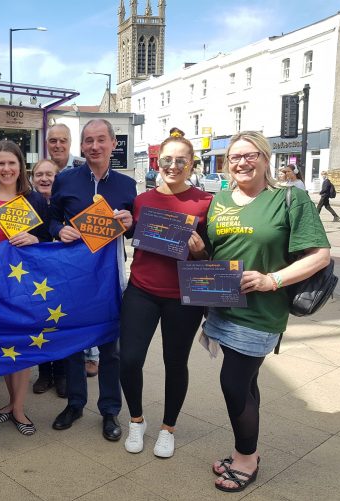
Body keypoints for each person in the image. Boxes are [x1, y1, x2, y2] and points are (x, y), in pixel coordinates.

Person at [205, 131, 330, 492]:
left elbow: (319, 255)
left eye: (250, 155)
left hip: (261, 312)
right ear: (227, 163)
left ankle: (246, 459)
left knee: (232, 384)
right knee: (246, 382)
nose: (242, 163)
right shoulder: (220, 200)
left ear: (265, 158)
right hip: (222, 307)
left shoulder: (289, 198)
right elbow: (216, 251)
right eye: (235, 157)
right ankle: (247, 451)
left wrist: (271, 280)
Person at [120, 134, 213, 458]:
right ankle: (136, 421)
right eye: (167, 160)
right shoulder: (143, 199)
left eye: (181, 160)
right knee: (129, 359)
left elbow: (213, 257)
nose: (173, 166)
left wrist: (201, 253)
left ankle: (168, 428)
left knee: (175, 363)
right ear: (158, 162)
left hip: (183, 297)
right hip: (142, 290)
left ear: (191, 164)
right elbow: (133, 234)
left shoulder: (205, 201)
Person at [48, 118, 136, 442]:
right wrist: (59, 229)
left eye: (101, 140)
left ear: (114, 144)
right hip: (73, 279)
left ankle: (110, 410)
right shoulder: (66, 180)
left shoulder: (126, 186)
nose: (95, 146)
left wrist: (130, 222)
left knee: (109, 347)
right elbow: (51, 218)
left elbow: (137, 230)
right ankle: (75, 403)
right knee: (73, 343)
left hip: (109, 278)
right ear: (81, 146)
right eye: (88, 141)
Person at [0, 141, 50, 435]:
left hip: (25, 286)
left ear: (21, 167)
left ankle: (18, 408)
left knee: (23, 346)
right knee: (5, 347)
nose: (6, 169)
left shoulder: (35, 201)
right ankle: (11, 402)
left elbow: (47, 242)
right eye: (0, 163)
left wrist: (36, 240)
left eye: (12, 163)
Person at [46, 124, 97, 375]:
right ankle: (56, 367)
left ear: (70, 143)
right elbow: (52, 218)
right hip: (54, 256)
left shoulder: (82, 168)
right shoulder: (45, 171)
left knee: (83, 311)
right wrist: (58, 230)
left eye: (62, 140)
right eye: (53, 140)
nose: (57, 145)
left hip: (88, 259)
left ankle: (87, 356)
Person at [29, 159, 67, 397]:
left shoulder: (66, 202)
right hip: (36, 275)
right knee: (41, 322)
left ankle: (62, 373)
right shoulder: (28, 204)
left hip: (63, 275)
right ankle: (45, 373)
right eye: (39, 174)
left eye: (49, 174)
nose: (44, 179)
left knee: (61, 322)